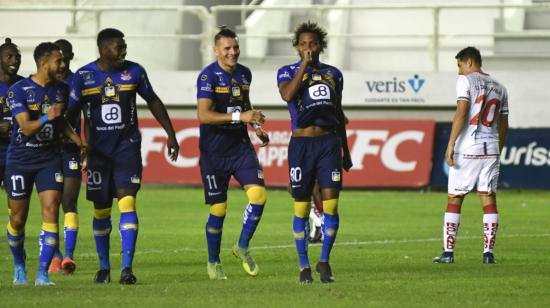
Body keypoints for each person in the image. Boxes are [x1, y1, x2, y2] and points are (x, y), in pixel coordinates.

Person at [67, 28, 179, 284]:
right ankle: (104, 267)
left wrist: (171, 134)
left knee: (127, 202)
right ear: (103, 48)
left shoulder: (135, 71)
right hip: (97, 153)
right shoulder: (84, 77)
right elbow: (71, 114)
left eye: (124, 46)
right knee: (101, 210)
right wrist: (75, 143)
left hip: (127, 148)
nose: (123, 51)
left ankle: (127, 268)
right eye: (118, 47)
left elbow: (153, 101)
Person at [277, 21, 352, 284]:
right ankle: (303, 266)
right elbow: (287, 95)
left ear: (320, 46)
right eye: (303, 44)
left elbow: (338, 114)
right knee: (301, 206)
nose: (308, 48)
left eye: (312, 44)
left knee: (331, 205)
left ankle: (324, 262)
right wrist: (304, 67)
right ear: (297, 48)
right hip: (301, 146)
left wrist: (346, 151)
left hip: (328, 144)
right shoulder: (286, 72)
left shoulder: (334, 74)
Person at [5, 42, 85, 286]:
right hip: (20, 160)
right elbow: (27, 128)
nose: (63, 65)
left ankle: (42, 273)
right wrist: (46, 116)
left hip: (49, 160)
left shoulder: (60, 89)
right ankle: (20, 265)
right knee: (18, 219)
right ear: (43, 63)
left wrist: (77, 140)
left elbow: (60, 121)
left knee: (51, 211)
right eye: (58, 61)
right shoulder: (18, 90)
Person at [196, 27, 269, 280]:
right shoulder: (208, 77)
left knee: (259, 196)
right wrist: (241, 116)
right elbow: (204, 116)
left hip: (240, 148)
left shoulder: (244, 74)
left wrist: (256, 126)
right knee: (219, 208)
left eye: (235, 47)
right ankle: (213, 261)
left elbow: (245, 106)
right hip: (213, 152)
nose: (232, 52)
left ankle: (242, 245)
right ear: (216, 50)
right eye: (227, 48)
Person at [433, 46, 509, 264]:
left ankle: (448, 253)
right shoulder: (500, 87)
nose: (458, 71)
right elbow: (504, 123)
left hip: (469, 147)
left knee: (455, 197)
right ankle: (488, 254)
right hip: (492, 147)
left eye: (459, 65)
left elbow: (462, 112)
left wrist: (451, 144)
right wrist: (498, 149)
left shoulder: (466, 81)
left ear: (468, 62)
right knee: (488, 198)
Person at [48, 38, 80, 275]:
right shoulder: (42, 84)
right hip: (46, 151)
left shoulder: (76, 81)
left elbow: (83, 112)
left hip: (70, 148)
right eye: (59, 56)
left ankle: (68, 256)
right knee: (51, 204)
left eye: (66, 56)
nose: (62, 61)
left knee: (69, 200)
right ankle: (55, 256)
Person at [0, 38, 23, 193]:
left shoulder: (25, 85)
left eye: (17, 57)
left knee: (16, 201)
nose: (15, 60)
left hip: (17, 151)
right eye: (9, 56)